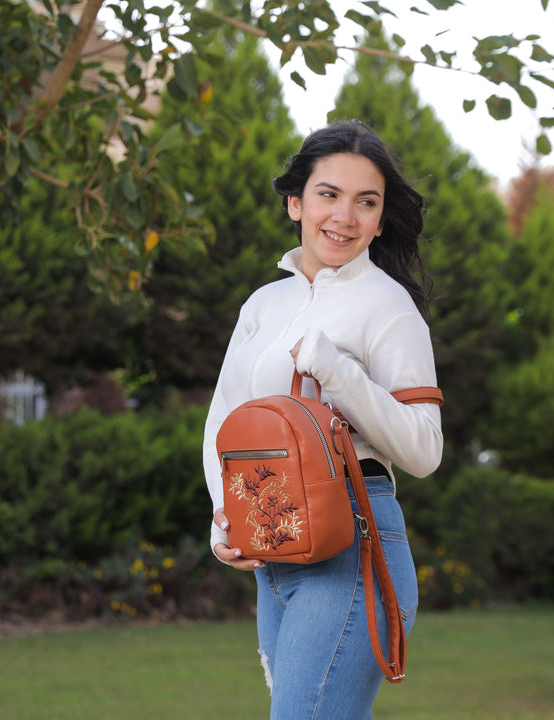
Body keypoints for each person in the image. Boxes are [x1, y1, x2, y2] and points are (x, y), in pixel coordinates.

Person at [202, 119, 443, 719]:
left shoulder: (389, 307)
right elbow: (224, 419)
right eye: (328, 195)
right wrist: (224, 513)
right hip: (273, 538)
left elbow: (424, 450)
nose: (344, 216)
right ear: (295, 203)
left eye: (367, 202)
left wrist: (339, 372)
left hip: (356, 545)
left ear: (381, 220)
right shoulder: (263, 303)